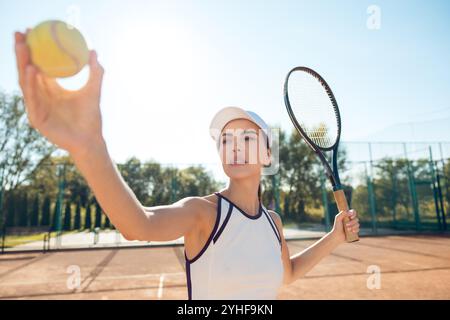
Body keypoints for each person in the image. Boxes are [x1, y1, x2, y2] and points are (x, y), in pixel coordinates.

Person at [14, 31, 359, 300]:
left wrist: (334, 236)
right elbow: (139, 225)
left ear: (268, 156)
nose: (234, 146)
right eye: (226, 140)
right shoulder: (202, 212)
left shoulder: (274, 223)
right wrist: (90, 147)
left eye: (248, 139)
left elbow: (288, 273)